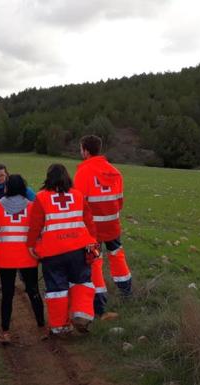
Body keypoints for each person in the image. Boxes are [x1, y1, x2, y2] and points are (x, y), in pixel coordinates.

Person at [26, 164, 97, 335]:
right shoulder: (78, 195)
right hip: (78, 249)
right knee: (81, 283)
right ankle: (81, 316)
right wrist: (93, 241)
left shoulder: (41, 197)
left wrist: (30, 245)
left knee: (57, 289)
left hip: (52, 252)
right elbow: (89, 222)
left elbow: (35, 225)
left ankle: (60, 326)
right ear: (67, 177)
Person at [74, 134, 132, 319]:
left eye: (81, 148)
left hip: (92, 230)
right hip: (112, 224)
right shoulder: (115, 172)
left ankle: (99, 302)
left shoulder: (83, 172)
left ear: (86, 150)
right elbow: (120, 202)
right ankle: (126, 291)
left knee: (95, 261)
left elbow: (79, 203)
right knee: (117, 255)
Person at [0, 174, 45, 344]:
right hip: (28, 256)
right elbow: (38, 232)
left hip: (6, 257)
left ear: (7, 188)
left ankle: (5, 332)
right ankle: (42, 327)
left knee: (7, 294)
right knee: (33, 291)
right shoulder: (33, 207)